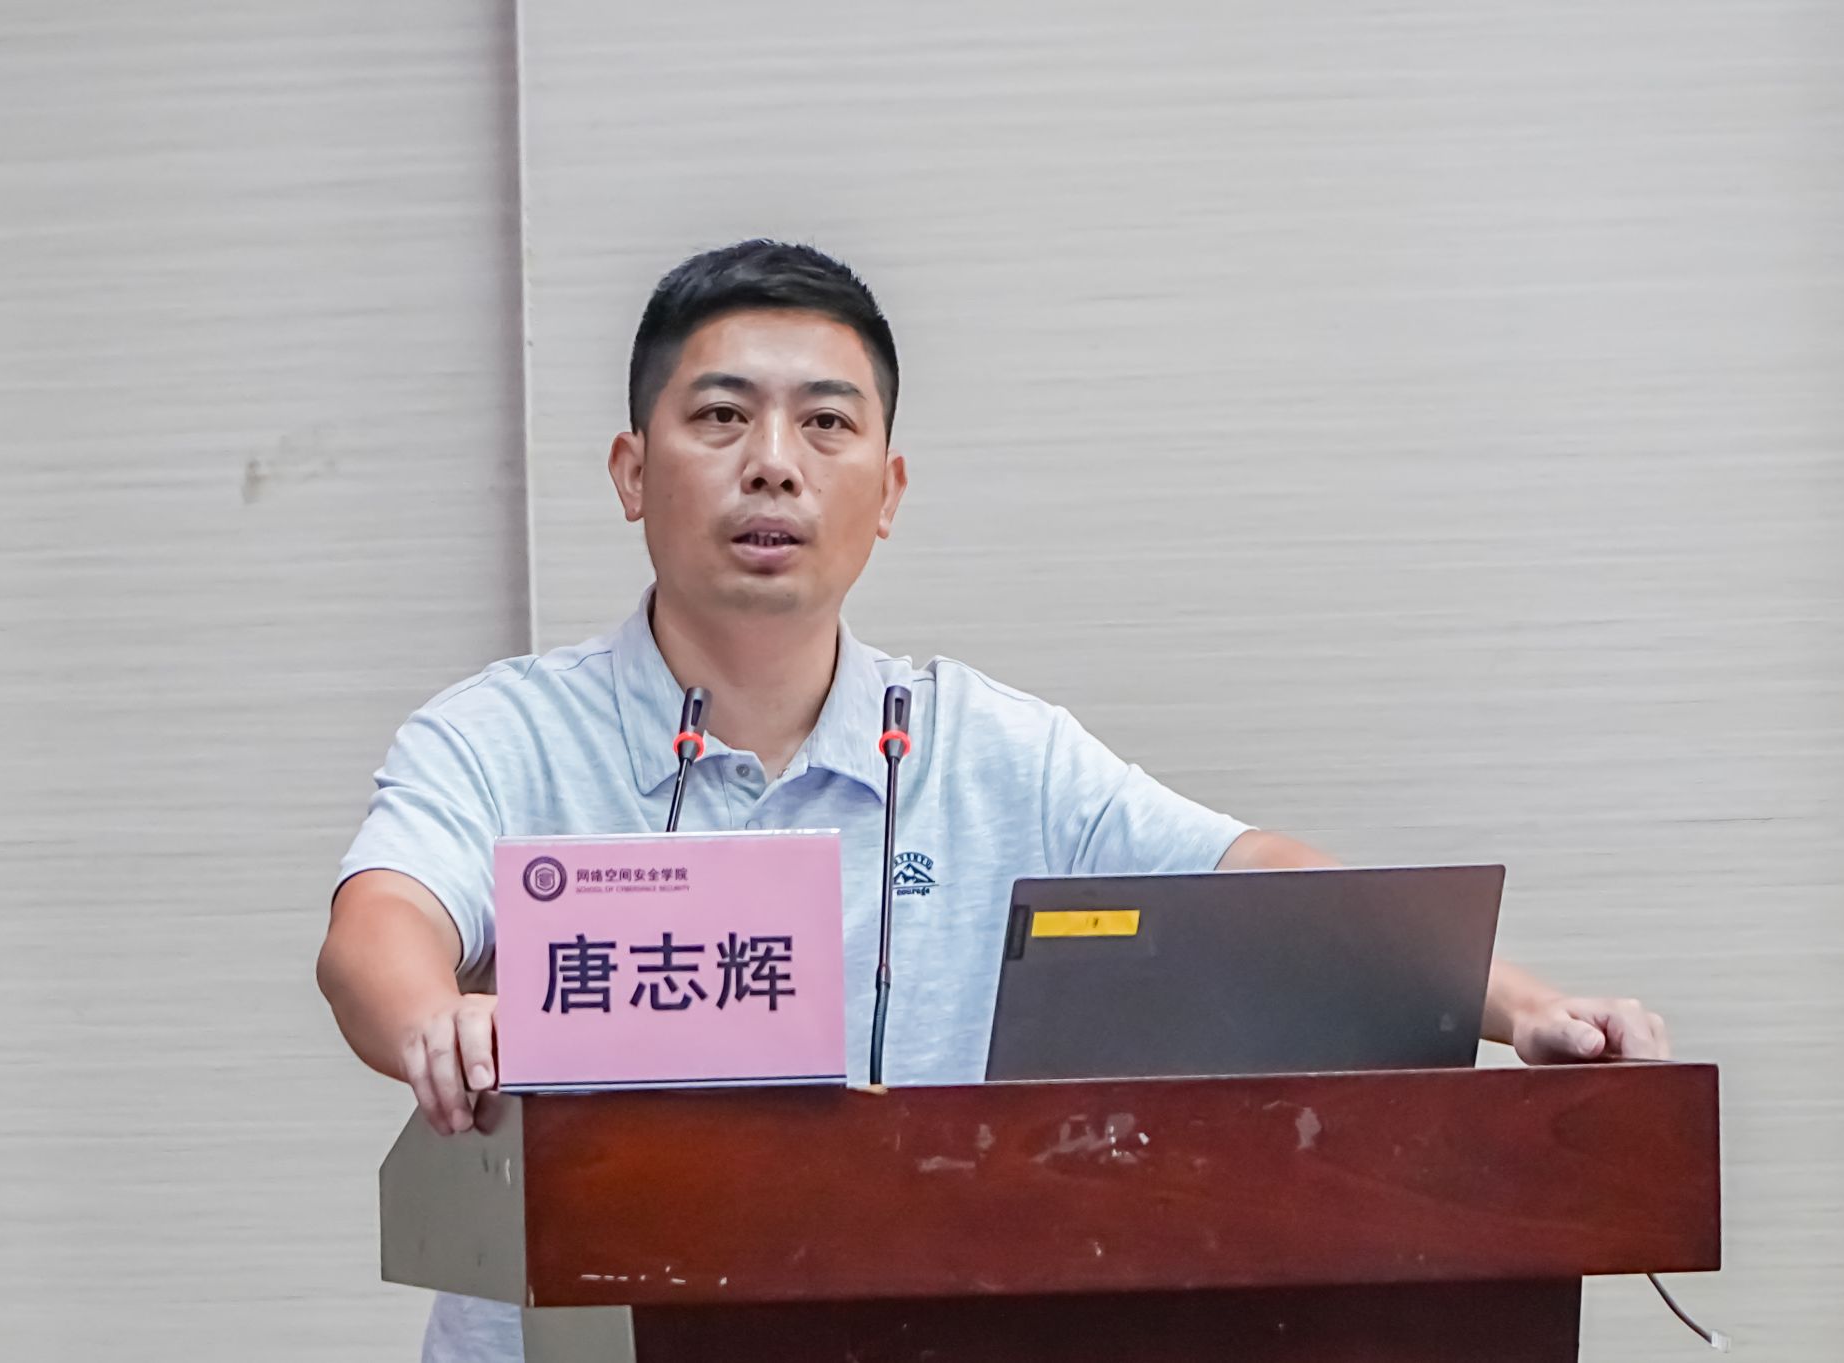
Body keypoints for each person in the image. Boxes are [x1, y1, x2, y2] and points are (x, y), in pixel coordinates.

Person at [316, 239, 1670, 1362]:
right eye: (721, 417)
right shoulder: (505, 734)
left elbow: (1244, 873)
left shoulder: (986, 747)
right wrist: (439, 1018)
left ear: (887, 491)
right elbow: (378, 925)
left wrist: (1518, 1007)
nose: (774, 463)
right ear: (631, 471)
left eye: (827, 424)